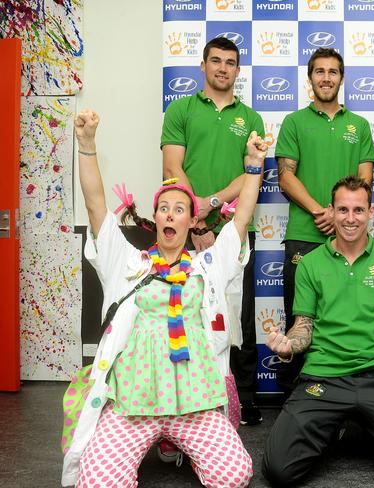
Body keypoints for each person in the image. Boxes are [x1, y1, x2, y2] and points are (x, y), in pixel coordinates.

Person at [61, 109, 267, 487]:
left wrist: (254, 165)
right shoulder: (128, 262)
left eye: (180, 209)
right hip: (134, 405)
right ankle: (159, 442)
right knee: (98, 483)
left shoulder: (208, 265)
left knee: (234, 474)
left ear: (191, 221)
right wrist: (87, 144)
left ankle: (178, 441)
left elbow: (240, 221)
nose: (171, 214)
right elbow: (95, 208)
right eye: (164, 208)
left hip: (194, 402)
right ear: (154, 217)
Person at [263, 176, 374, 487]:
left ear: (371, 212)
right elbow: (303, 326)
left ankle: (366, 425)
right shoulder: (309, 264)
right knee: (279, 471)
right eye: (343, 210)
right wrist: (288, 345)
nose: (350, 218)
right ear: (332, 212)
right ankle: (344, 426)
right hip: (325, 375)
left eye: (358, 210)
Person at [161, 36, 265, 426]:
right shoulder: (181, 109)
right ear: (203, 66)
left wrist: (214, 204)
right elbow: (173, 168)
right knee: (188, 312)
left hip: (234, 230)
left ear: (238, 70)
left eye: (230, 62)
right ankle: (192, 395)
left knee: (240, 315)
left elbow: (251, 172)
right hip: (185, 230)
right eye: (216, 61)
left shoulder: (251, 118)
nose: (223, 68)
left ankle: (245, 397)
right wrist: (197, 219)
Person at [276, 48, 374, 390]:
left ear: (341, 78)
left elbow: (365, 181)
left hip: (348, 236)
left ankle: (347, 396)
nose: (326, 78)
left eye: (333, 72)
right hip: (304, 232)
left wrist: (338, 217)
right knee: (298, 318)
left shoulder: (359, 125)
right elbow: (285, 177)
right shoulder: (294, 122)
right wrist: (321, 212)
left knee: (348, 317)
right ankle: (295, 397)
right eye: (319, 71)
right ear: (310, 78)